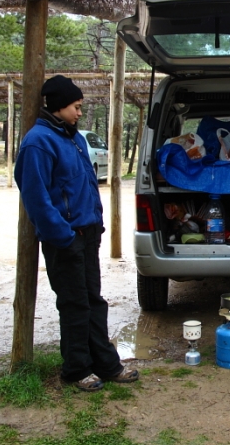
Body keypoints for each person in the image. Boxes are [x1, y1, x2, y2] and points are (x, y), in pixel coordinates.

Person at [14, 75, 138, 391]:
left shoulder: (75, 138)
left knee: (94, 301)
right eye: (76, 107)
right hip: (65, 238)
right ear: (59, 106)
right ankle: (77, 369)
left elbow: (86, 185)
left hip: (87, 234)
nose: (80, 113)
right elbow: (35, 197)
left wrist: (96, 223)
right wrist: (62, 235)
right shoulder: (38, 142)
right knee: (74, 304)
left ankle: (106, 364)